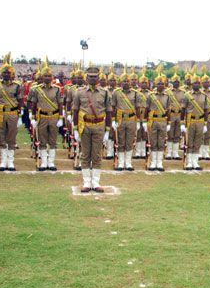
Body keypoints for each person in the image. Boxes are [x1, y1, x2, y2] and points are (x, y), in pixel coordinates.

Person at [72, 64, 112, 192]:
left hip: (99, 126)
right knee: (85, 154)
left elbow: (109, 112)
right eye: (90, 77)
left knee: (96, 155)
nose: (93, 79)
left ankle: (95, 182)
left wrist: (107, 130)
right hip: (85, 126)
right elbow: (75, 111)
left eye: (95, 77)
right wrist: (76, 129)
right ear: (86, 78)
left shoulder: (105, 93)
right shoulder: (79, 92)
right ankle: (86, 182)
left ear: (99, 78)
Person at [28, 58, 63, 171]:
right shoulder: (36, 89)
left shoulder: (57, 89)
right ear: (42, 77)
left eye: (49, 76)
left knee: (52, 140)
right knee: (42, 139)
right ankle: (44, 161)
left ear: (52, 77)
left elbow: (60, 104)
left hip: (54, 116)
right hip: (41, 116)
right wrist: (32, 117)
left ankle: (51, 162)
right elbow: (33, 104)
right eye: (45, 76)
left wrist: (61, 118)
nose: (47, 78)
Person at [0, 53, 23, 171]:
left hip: (13, 113)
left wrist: (20, 114)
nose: (6, 74)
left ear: (12, 73)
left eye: (8, 72)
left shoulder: (17, 85)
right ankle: (3, 161)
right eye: (4, 72)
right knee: (1, 136)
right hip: (0, 112)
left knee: (11, 137)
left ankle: (11, 161)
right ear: (1, 73)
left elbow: (20, 100)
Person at [111, 66, 141, 171]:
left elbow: (137, 108)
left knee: (129, 141)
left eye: (127, 81)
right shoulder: (116, 93)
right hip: (120, 119)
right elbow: (113, 108)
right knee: (120, 141)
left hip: (131, 119)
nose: (126, 83)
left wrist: (138, 121)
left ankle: (128, 163)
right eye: (124, 81)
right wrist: (113, 120)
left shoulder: (135, 93)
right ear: (120, 83)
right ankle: (120, 162)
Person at [146, 70, 171, 171]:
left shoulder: (167, 96)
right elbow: (147, 109)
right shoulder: (151, 95)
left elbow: (169, 110)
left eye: (162, 83)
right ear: (156, 84)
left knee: (161, 142)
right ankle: (153, 162)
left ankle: (159, 162)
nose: (160, 85)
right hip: (153, 120)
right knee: (153, 141)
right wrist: (145, 122)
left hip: (163, 120)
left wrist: (168, 122)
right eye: (159, 83)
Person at [182, 76, 208, 170]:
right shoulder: (187, 95)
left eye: (197, 83)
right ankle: (189, 162)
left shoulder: (204, 95)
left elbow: (205, 110)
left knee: (198, 141)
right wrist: (183, 123)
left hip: (200, 121)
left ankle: (195, 161)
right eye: (194, 83)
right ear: (192, 84)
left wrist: (205, 123)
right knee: (190, 141)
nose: (196, 84)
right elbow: (183, 110)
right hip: (190, 120)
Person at [166, 68, 185, 160]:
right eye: (175, 82)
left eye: (178, 82)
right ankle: (169, 153)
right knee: (170, 133)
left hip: (179, 114)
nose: (176, 83)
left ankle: (175, 153)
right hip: (171, 114)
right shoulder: (168, 92)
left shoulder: (183, 92)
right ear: (172, 82)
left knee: (177, 134)